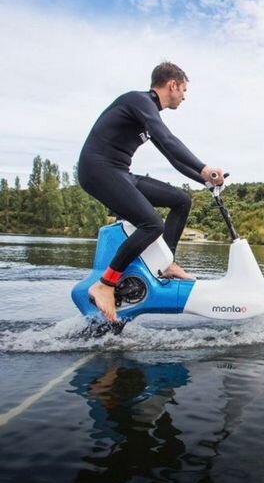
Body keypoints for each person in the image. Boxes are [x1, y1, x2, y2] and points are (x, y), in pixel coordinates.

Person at [78, 62, 224, 322]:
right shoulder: (139, 101)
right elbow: (169, 140)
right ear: (173, 85)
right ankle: (106, 284)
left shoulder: (148, 115)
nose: (184, 96)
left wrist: (205, 181)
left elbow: (172, 157)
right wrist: (204, 168)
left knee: (181, 200)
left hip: (121, 172)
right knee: (151, 224)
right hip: (98, 170)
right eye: (184, 90)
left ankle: (165, 264)